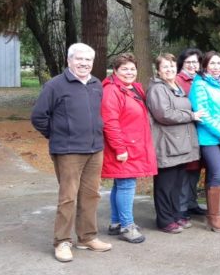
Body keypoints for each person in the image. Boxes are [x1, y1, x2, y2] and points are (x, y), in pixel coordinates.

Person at [31, 43, 112, 262]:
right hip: (68, 151)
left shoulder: (96, 84)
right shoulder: (55, 85)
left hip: (95, 149)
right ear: (69, 60)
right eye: (79, 59)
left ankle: (87, 237)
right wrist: (58, 135)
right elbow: (38, 117)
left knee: (91, 195)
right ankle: (62, 242)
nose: (84, 63)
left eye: (88, 60)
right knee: (68, 198)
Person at [101, 53, 158, 244]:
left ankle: (116, 222)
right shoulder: (112, 91)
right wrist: (119, 149)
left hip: (133, 145)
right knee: (126, 185)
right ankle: (127, 226)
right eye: (124, 69)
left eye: (132, 69)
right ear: (115, 71)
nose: (129, 72)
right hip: (124, 147)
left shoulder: (132, 88)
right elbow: (110, 122)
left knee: (120, 184)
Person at [147, 53, 204, 234]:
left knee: (177, 184)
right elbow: (164, 114)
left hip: (181, 145)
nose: (169, 69)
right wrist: (191, 116)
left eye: (172, 66)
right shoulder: (158, 89)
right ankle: (164, 220)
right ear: (158, 70)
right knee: (165, 185)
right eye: (165, 67)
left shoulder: (175, 85)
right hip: (167, 144)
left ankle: (175, 215)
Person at [189, 51, 220, 234]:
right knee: (219, 175)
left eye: (219, 63)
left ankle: (213, 215)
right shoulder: (199, 84)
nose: (216, 67)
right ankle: (214, 217)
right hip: (208, 138)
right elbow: (202, 114)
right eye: (212, 63)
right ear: (205, 66)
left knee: (213, 175)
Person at [175, 48, 208, 218]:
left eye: (195, 62)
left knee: (195, 168)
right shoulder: (177, 81)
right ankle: (181, 207)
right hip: (184, 131)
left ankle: (191, 202)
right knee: (185, 169)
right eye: (188, 62)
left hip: (200, 130)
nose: (192, 65)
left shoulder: (202, 79)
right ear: (182, 64)